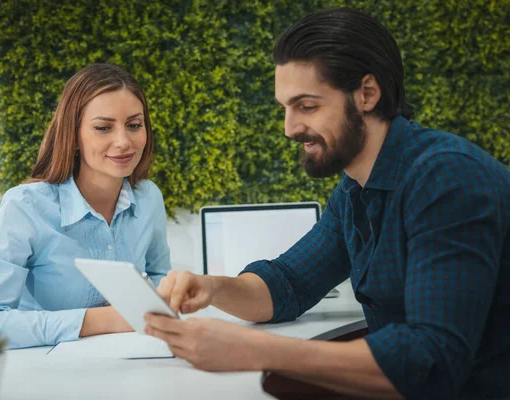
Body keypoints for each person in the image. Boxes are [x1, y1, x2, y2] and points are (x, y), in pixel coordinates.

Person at [144, 8, 510, 400]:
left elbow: (431, 360)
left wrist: (256, 351)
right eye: (285, 107)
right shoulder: (354, 190)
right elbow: (287, 284)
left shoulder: (445, 178)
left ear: (367, 94)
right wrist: (211, 287)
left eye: (307, 106)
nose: (289, 128)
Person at [0, 63, 171, 349]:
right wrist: (107, 319)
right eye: (103, 127)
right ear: (73, 136)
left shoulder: (149, 198)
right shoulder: (25, 207)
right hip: (44, 372)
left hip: (128, 360)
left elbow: (160, 278)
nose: (124, 141)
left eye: (134, 125)